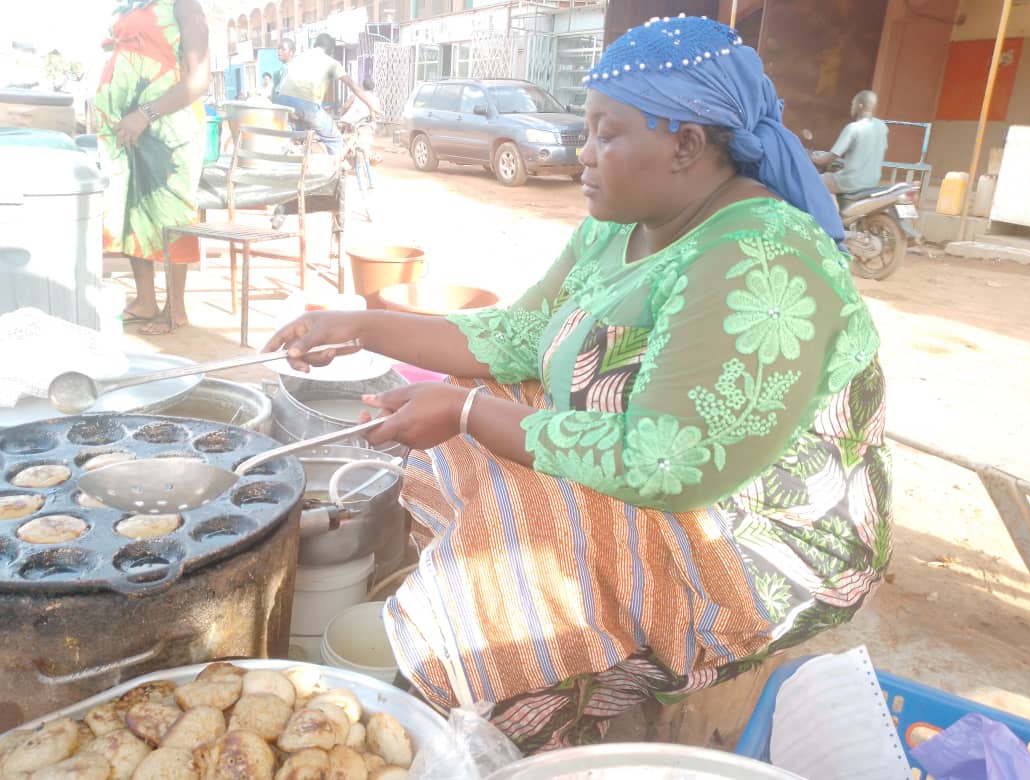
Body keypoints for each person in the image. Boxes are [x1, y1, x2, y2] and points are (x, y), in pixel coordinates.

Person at [265, 16, 891, 754]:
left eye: (606, 133)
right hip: (662, 471)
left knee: (510, 548)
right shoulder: (621, 224)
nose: (583, 153)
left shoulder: (760, 258)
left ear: (687, 145)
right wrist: (363, 325)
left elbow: (672, 461)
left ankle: (525, 715)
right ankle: (510, 670)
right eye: (586, 129)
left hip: (757, 538)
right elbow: (521, 336)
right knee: (479, 450)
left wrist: (465, 410)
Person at [94, 0, 209, 335]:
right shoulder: (129, 7)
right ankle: (145, 300)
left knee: (171, 213)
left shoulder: (184, 6)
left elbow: (199, 80)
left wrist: (144, 114)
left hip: (168, 130)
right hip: (124, 129)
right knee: (132, 210)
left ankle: (176, 309)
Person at [272, 33, 378, 155]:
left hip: (282, 101)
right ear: (331, 50)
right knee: (334, 139)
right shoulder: (331, 62)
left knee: (293, 132)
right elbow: (354, 86)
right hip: (306, 105)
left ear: (316, 45)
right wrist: (371, 106)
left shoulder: (300, 56)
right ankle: (334, 171)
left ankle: (285, 157)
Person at [817, 90, 889, 195]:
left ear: (860, 106)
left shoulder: (853, 128)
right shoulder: (882, 126)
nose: (851, 107)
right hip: (872, 182)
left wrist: (810, 156)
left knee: (813, 180)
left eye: (853, 104)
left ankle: (831, 210)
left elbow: (829, 158)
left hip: (850, 182)